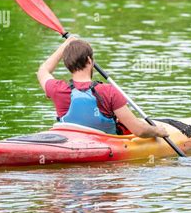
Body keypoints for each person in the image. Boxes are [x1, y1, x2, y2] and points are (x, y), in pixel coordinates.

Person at [37, 37, 169, 138]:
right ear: (90, 61)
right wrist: (158, 130)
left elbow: (43, 70)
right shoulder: (108, 91)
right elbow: (138, 130)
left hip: (70, 142)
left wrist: (64, 46)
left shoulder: (57, 89)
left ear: (66, 64)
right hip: (106, 147)